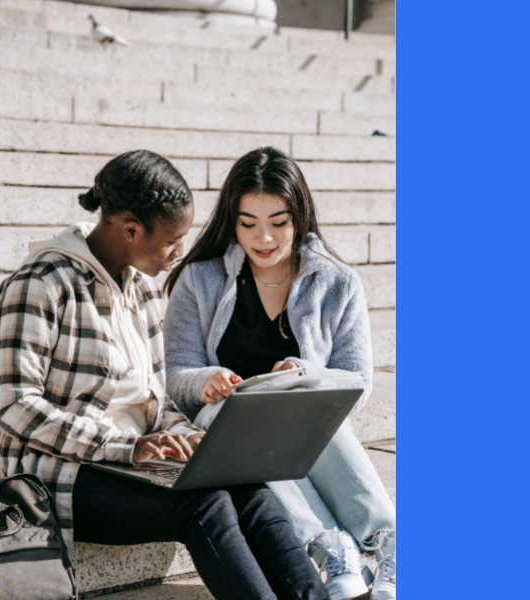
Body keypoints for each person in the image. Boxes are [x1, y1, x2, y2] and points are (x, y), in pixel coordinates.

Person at [0, 149, 332, 600]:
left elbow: (160, 402)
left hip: (134, 465)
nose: (180, 253)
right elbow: (12, 406)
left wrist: (186, 436)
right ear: (131, 229)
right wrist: (128, 448)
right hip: (57, 475)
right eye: (173, 240)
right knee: (205, 504)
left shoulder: (144, 292)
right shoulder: (41, 284)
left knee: (247, 487)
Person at [163, 147, 397, 600]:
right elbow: (177, 373)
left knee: (311, 402)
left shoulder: (338, 282)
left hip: (305, 419)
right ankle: (330, 545)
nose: (263, 237)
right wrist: (205, 379)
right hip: (229, 419)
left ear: (300, 217)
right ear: (231, 221)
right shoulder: (199, 280)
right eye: (248, 223)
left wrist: (305, 372)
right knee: (225, 418)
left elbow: (355, 380)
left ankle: (390, 543)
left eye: (279, 222)